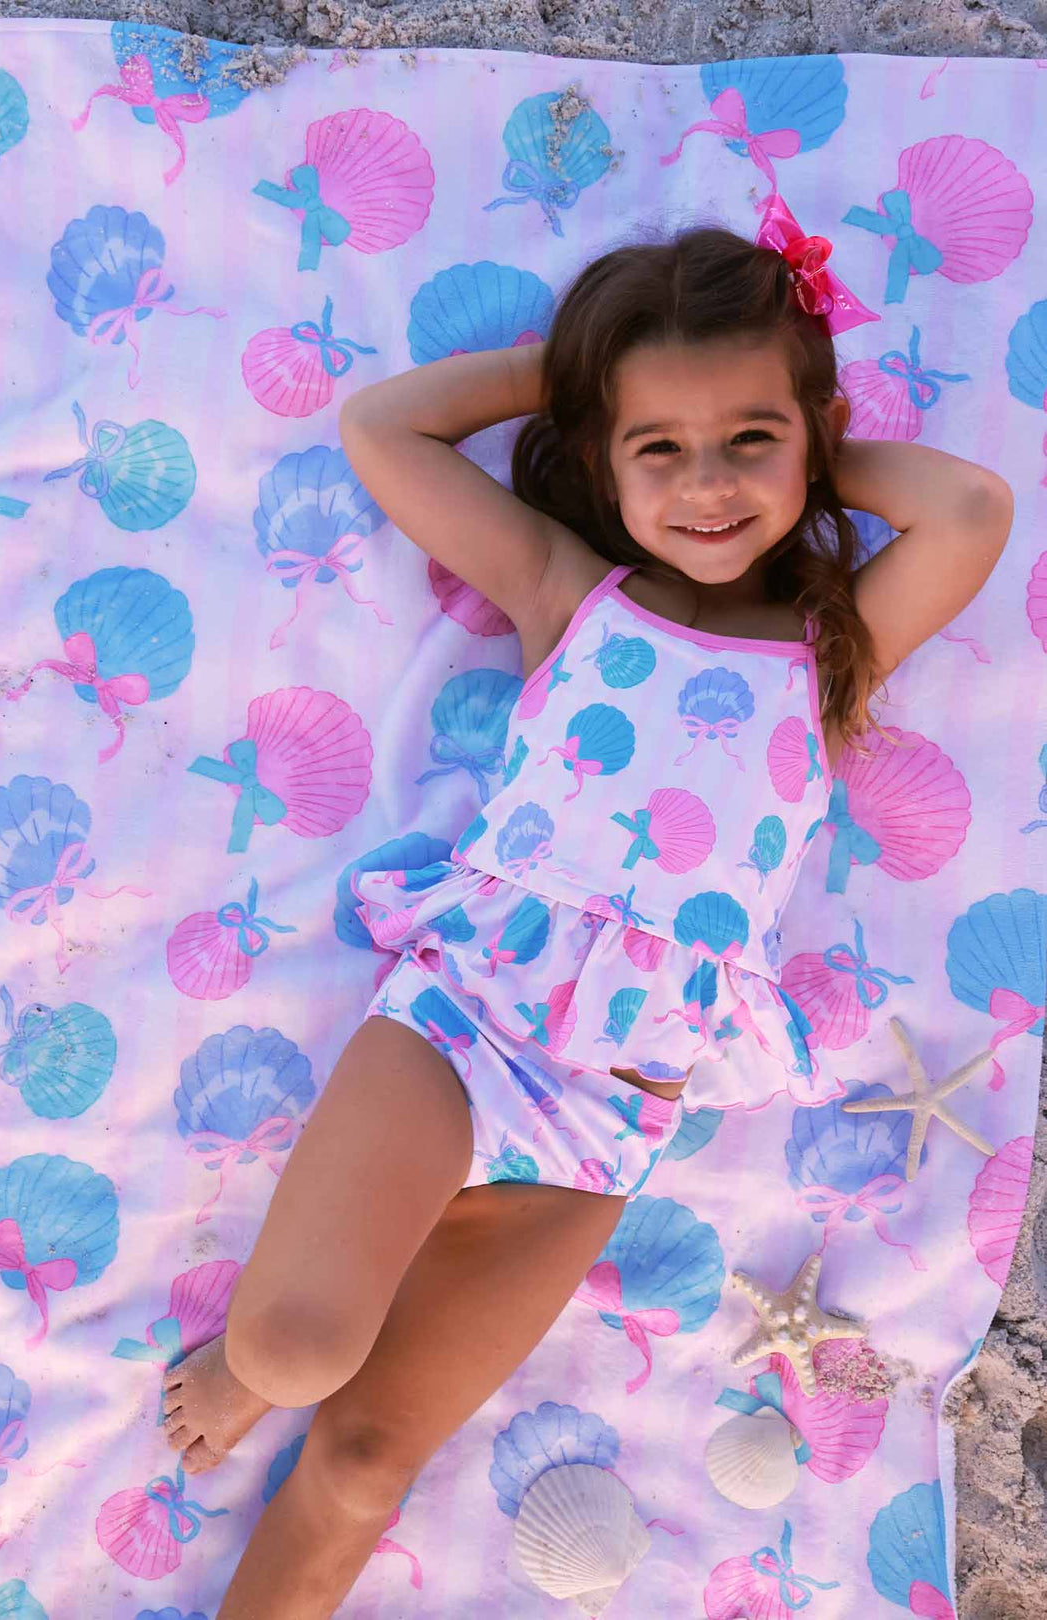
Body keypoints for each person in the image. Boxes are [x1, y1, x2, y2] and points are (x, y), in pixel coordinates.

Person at [160, 222, 1013, 1618]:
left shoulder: (830, 653)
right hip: (461, 1027)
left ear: (807, 437)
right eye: (657, 448)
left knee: (369, 1460)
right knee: (303, 1355)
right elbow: (382, 429)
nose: (711, 483)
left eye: (749, 440)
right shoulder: (575, 595)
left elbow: (970, 512)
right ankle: (252, 1372)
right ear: (602, 456)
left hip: (599, 1119)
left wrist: (800, 436)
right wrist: (572, 377)